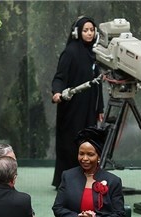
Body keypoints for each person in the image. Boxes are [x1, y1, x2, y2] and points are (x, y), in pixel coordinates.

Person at [52, 126, 125, 217]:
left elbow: (119, 214)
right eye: (81, 154)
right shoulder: (68, 176)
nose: (84, 158)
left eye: (90, 154)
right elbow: (58, 208)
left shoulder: (113, 181)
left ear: (98, 156)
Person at [51, 16, 104, 188]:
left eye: (92, 30)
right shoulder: (71, 52)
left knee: (88, 141)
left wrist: (100, 108)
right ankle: (66, 181)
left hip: (89, 108)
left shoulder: (95, 53)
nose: (89, 33)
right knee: (70, 144)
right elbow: (59, 77)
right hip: (72, 108)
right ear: (77, 33)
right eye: (85, 30)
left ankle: (85, 178)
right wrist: (57, 92)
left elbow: (98, 83)